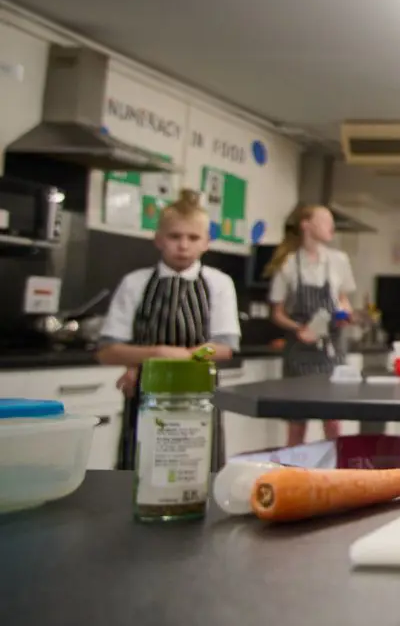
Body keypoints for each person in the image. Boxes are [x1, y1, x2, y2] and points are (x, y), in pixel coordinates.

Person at [97, 189, 239, 469]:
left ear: (207, 243)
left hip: (198, 394)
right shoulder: (135, 283)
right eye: (175, 237)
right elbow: (107, 351)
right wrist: (158, 353)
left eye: (193, 238)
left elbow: (223, 347)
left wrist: (183, 358)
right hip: (144, 395)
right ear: (159, 239)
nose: (183, 245)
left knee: (197, 468)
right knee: (139, 468)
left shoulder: (219, 284)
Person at [265, 204, 357, 446]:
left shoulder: (339, 260)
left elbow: (344, 299)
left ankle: (336, 473)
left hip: (331, 349)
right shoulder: (288, 263)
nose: (332, 227)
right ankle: (292, 472)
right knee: (297, 421)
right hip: (300, 350)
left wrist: (345, 313)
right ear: (306, 225)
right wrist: (298, 329)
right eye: (325, 220)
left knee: (334, 419)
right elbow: (277, 313)